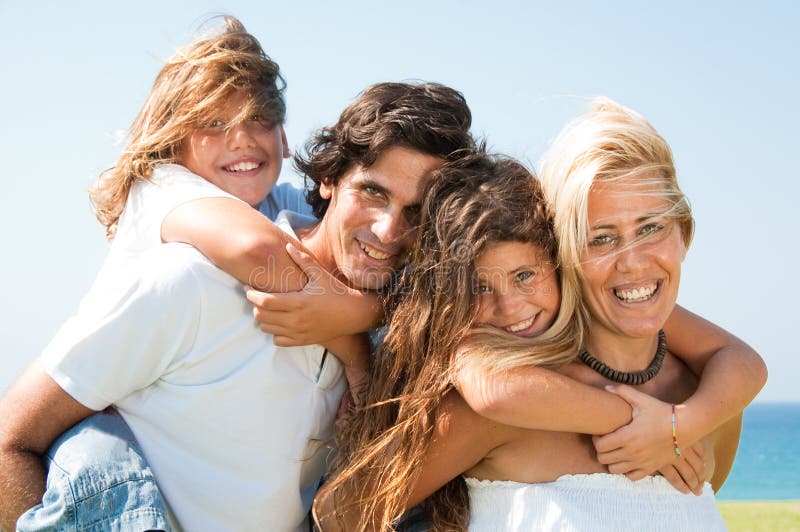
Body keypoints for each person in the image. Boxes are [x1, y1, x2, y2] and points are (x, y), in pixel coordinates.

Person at [0, 15, 476, 532]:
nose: (387, 231)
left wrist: (366, 322)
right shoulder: (185, 273)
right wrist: (351, 330)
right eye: (373, 192)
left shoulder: (401, 324)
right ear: (328, 180)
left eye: (418, 210)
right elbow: (11, 440)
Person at [314, 117, 765, 530]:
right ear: (563, 253)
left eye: (651, 228)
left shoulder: (709, 400)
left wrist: (675, 424)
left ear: (683, 233)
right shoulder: (506, 402)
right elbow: (340, 514)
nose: (632, 262)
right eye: (601, 238)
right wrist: (647, 423)